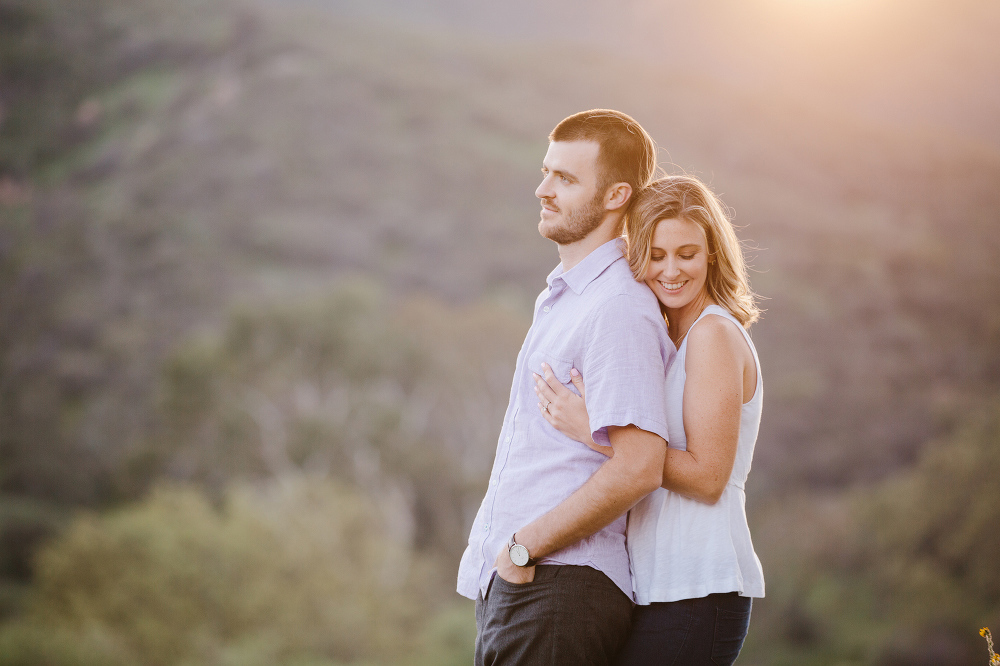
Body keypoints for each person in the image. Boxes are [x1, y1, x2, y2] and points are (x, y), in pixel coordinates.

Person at [456, 110, 676, 666]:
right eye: (546, 172)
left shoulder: (618, 307)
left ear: (615, 196)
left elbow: (640, 465)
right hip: (527, 588)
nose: (543, 189)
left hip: (560, 587)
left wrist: (525, 544)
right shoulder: (568, 298)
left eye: (566, 179)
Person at [533, 175, 765, 665]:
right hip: (657, 586)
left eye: (687, 253)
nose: (671, 270)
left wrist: (595, 432)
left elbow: (707, 478)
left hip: (700, 586)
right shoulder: (669, 343)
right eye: (656, 255)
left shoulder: (713, 336)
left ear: (712, 255)